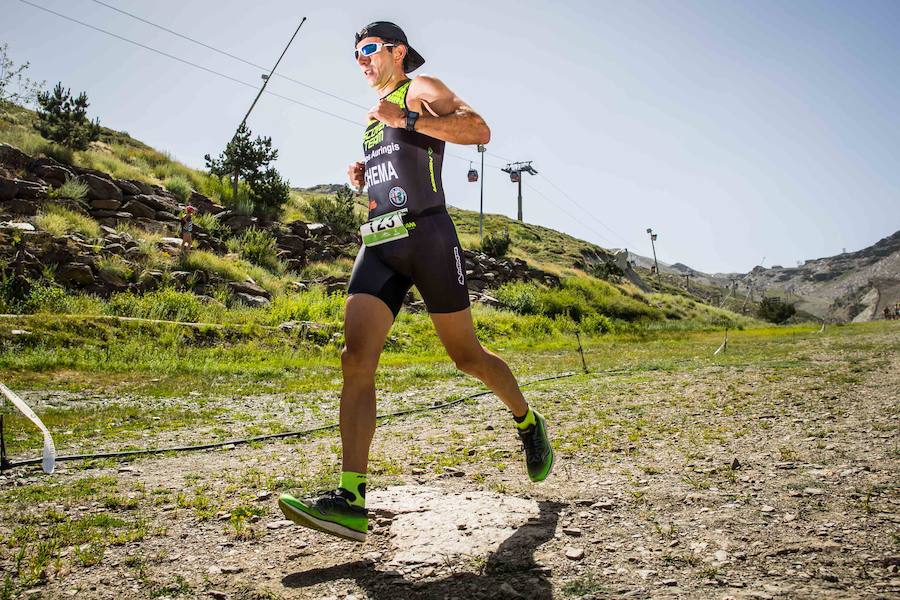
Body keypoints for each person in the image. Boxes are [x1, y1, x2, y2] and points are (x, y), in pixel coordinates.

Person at [278, 21, 553, 543]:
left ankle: (527, 421)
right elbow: (400, 155)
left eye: (367, 50)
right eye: (355, 54)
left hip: (428, 237)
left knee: (467, 357)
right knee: (354, 359)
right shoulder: (370, 115)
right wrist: (367, 171)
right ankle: (351, 499)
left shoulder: (420, 89)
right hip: (380, 242)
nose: (360, 61)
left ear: (397, 51)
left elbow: (479, 130)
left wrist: (405, 117)